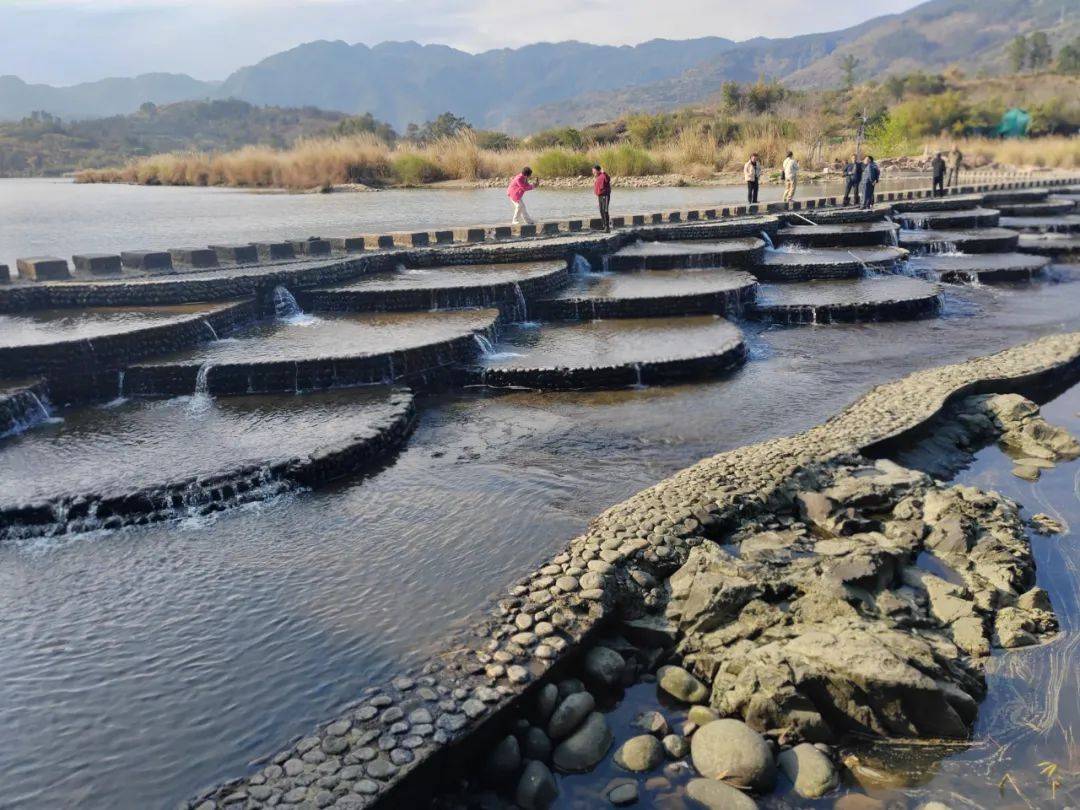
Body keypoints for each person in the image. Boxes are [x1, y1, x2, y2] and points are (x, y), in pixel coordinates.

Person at [592, 164, 611, 231]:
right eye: (593, 171)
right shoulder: (598, 177)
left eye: (594, 171)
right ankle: (604, 226)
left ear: (598, 170)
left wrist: (604, 172)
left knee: (605, 210)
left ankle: (607, 227)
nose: (593, 173)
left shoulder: (603, 175)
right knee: (601, 211)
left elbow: (608, 179)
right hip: (600, 196)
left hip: (605, 195)